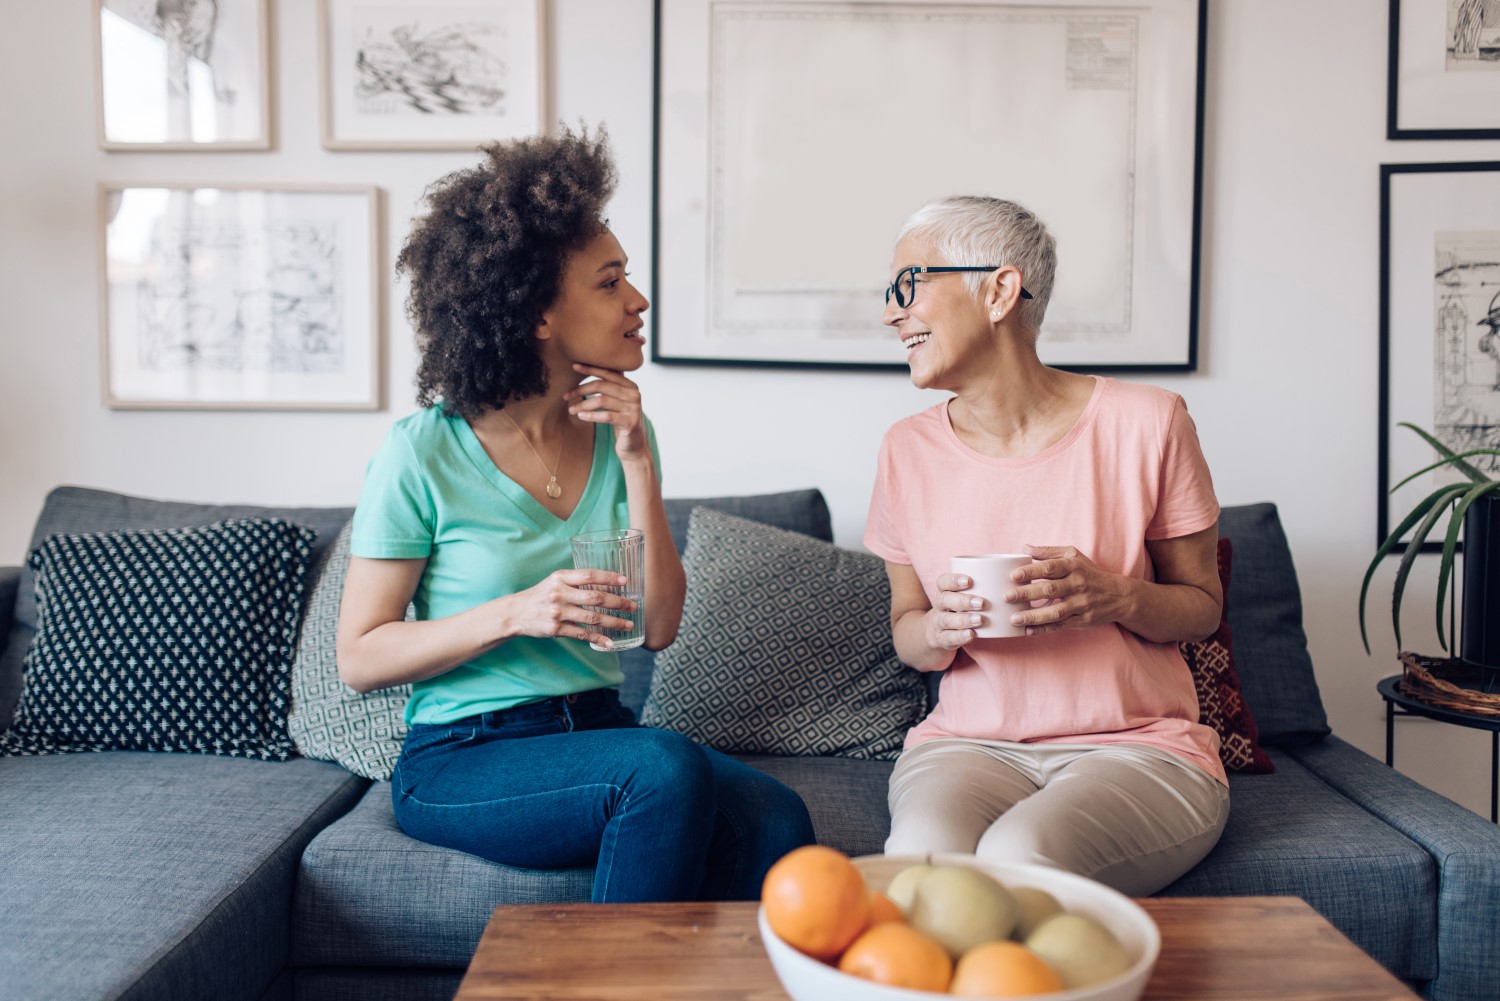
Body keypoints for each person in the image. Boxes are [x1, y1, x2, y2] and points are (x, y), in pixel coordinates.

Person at [336, 127, 814, 903]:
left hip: (592, 724)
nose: (638, 300)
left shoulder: (624, 432)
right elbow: (359, 656)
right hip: (461, 752)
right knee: (660, 768)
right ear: (537, 315)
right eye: (609, 282)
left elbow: (657, 628)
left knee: (775, 817)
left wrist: (637, 459)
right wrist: (517, 611)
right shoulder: (420, 453)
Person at [865, 195, 1229, 897]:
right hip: (967, 746)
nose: (891, 313)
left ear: (999, 290)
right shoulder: (905, 450)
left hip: (1137, 746)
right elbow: (907, 634)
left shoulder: (1149, 423)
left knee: (1020, 854)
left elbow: (1202, 607)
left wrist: (1116, 595)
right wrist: (940, 627)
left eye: (909, 285)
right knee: (918, 865)